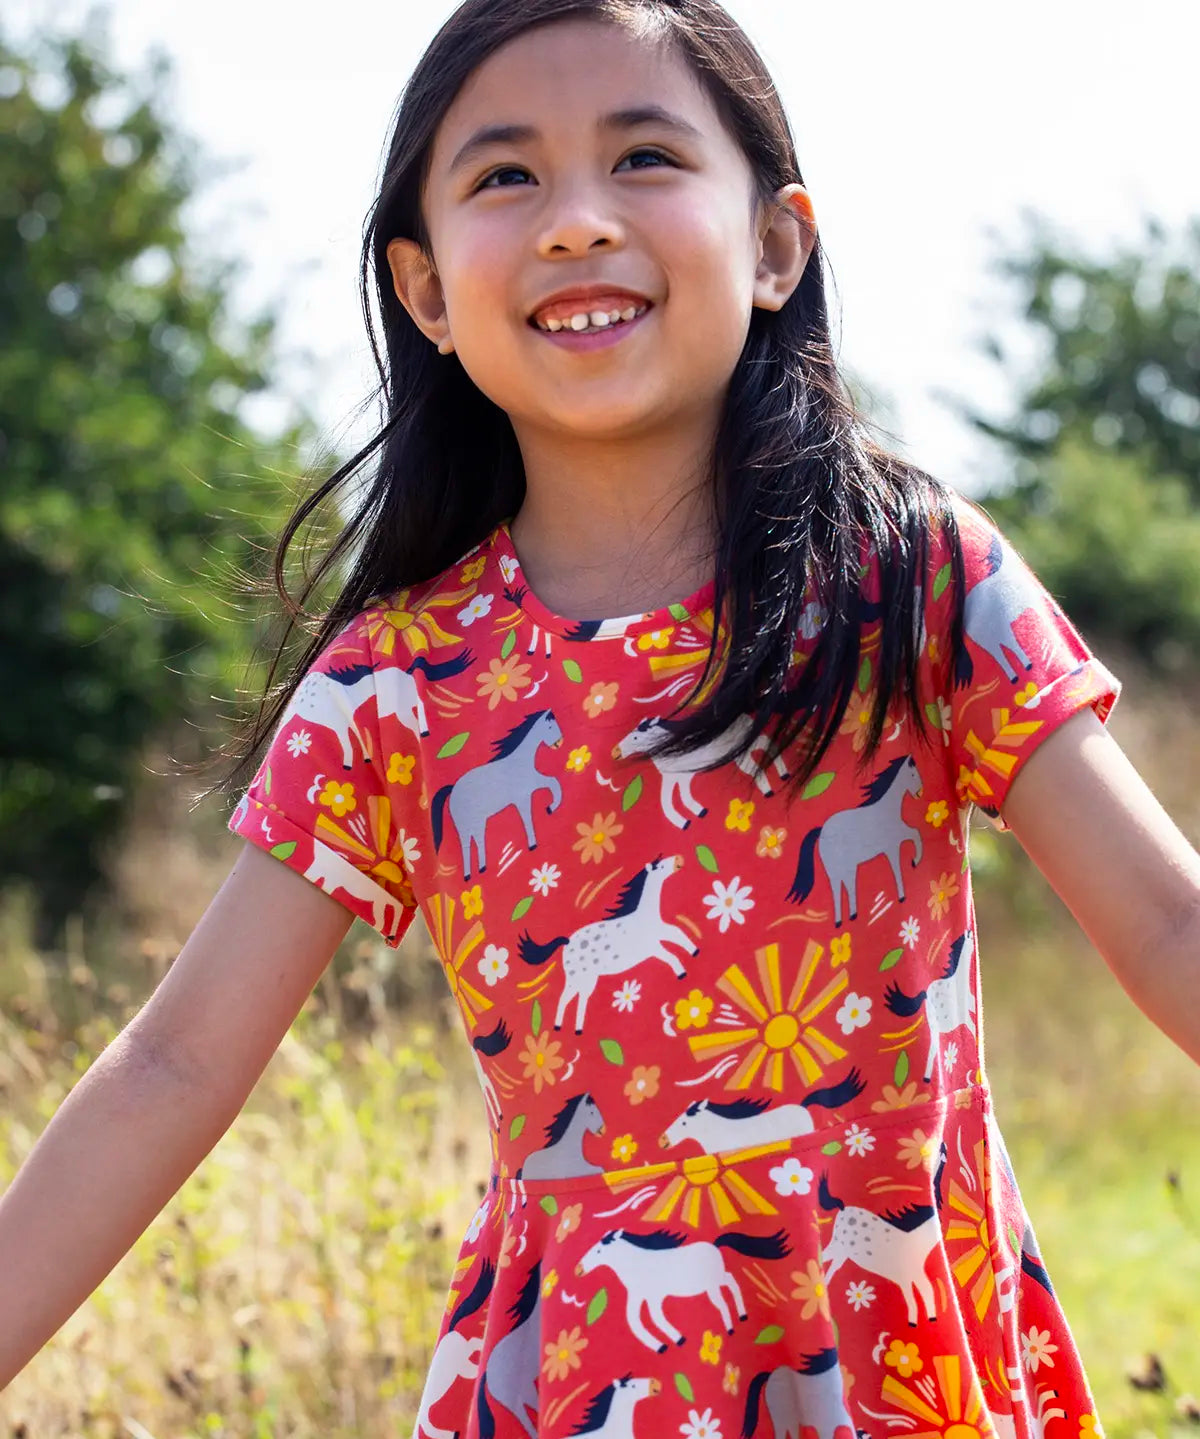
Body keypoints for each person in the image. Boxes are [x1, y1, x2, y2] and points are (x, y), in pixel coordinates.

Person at [2, 0, 1198, 1431]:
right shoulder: (397, 688)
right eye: (506, 176)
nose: (577, 221)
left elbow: (1169, 926)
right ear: (428, 290)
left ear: (773, 245)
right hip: (580, 1390)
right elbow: (177, 1063)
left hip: (906, 1376)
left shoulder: (910, 583)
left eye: (643, 156)